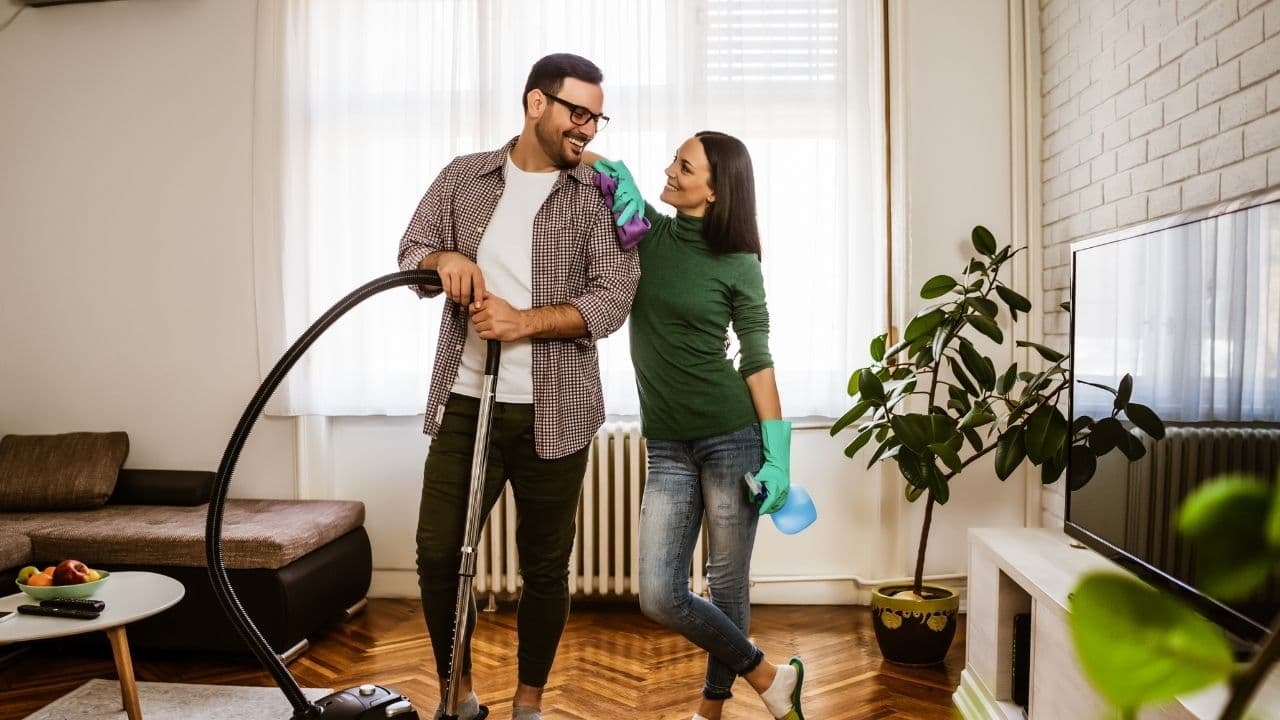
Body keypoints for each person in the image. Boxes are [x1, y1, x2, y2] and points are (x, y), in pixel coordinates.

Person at [397, 53, 640, 720]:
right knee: (438, 554)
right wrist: (442, 258)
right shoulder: (462, 177)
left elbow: (612, 299)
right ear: (536, 103)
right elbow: (411, 249)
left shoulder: (603, 191)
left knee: (545, 569)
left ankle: (528, 702)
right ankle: (461, 692)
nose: (588, 128)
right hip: (466, 404)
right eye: (577, 112)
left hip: (556, 412)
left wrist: (522, 322)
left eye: (597, 115)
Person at [586, 132, 806, 720]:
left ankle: (711, 707)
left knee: (727, 585)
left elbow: (757, 360)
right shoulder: (647, 236)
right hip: (666, 446)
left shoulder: (739, 263)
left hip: (732, 436)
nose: (670, 170)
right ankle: (771, 676)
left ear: (716, 189)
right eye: (674, 161)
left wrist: (778, 454)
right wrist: (565, 140)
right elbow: (602, 165)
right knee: (659, 595)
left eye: (684, 166)